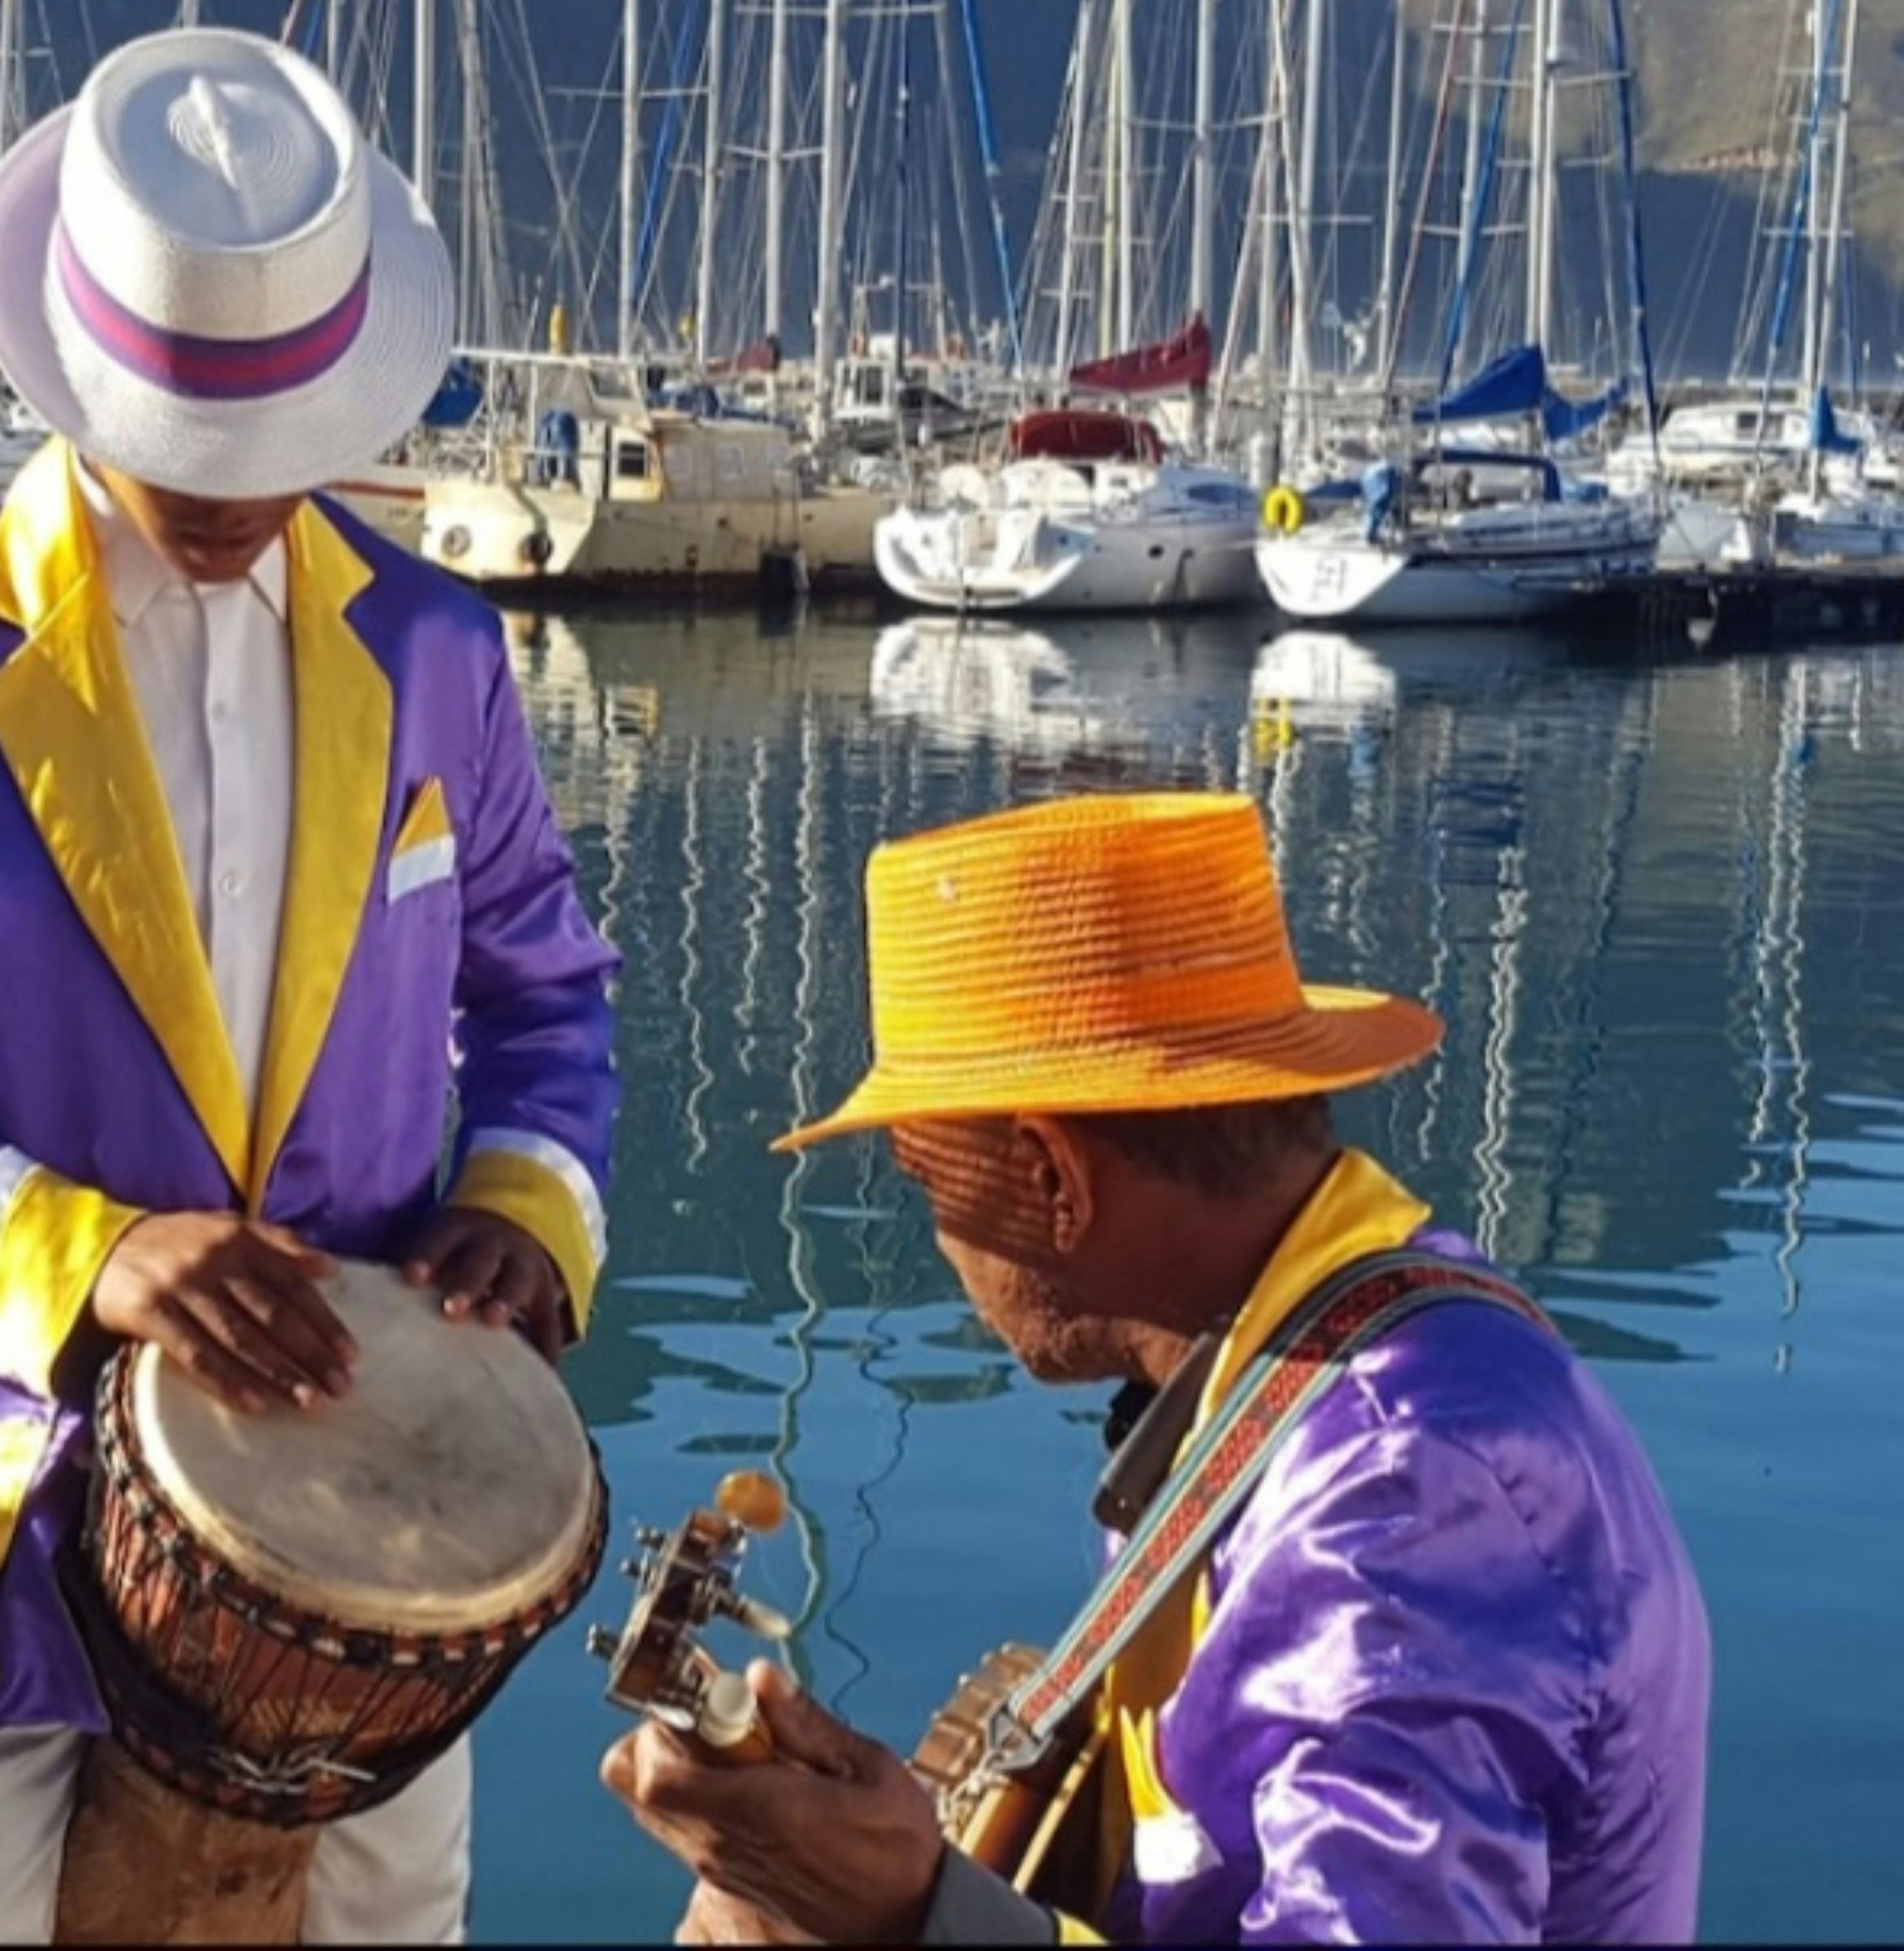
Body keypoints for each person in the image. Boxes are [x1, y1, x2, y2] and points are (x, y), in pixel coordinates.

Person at [0, 29, 619, 1945]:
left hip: (368, 1557)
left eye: (274, 437)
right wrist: (76, 1257)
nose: (235, 492)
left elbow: (545, 994)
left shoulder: (441, 654)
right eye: (188, 438)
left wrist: (525, 1203)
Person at [603, 793, 1708, 1944]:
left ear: (1051, 1178)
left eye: (929, 1181)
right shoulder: (1308, 1370)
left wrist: (913, 1915)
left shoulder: (1404, 1490)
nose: (940, 1241)